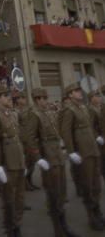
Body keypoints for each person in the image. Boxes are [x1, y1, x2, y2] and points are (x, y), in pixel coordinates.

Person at [26, 87, 79, 237]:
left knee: (61, 192)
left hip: (57, 155)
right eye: (42, 98)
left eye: (46, 98)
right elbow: (30, 138)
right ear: (37, 99)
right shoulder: (34, 115)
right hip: (48, 157)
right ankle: (59, 230)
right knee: (54, 193)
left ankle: (64, 226)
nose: (45, 101)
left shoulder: (47, 113)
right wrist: (38, 158)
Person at [60, 81, 104, 231]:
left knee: (97, 184)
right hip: (83, 152)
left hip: (92, 149)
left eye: (79, 90)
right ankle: (92, 216)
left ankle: (98, 211)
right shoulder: (69, 110)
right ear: (70, 95)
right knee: (88, 185)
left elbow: (91, 128)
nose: (79, 92)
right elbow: (66, 132)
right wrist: (71, 151)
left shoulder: (83, 108)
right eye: (76, 91)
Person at [0, 87, 25, 237]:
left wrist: (23, 161)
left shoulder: (13, 114)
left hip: (18, 160)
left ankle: (17, 225)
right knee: (9, 200)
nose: (9, 98)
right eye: (4, 96)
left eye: (9, 96)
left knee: (20, 198)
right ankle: (11, 230)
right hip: (7, 162)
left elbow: (18, 138)